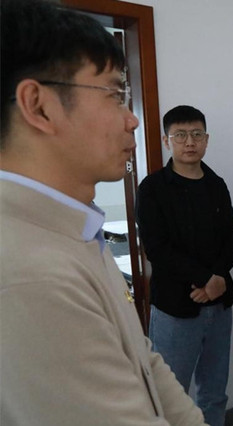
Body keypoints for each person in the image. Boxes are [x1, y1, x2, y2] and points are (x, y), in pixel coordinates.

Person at [0, 1, 206, 424]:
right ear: (39, 106)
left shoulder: (78, 228)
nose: (132, 120)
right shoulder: (29, 274)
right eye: (115, 95)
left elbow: (144, 360)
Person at [136, 105, 233, 425]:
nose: (190, 142)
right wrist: (206, 278)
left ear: (206, 139)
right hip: (175, 309)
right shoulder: (152, 188)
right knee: (170, 393)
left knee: (215, 391)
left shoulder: (216, 184)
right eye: (180, 135)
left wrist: (218, 278)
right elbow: (157, 248)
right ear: (166, 141)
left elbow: (232, 237)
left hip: (219, 304)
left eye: (197, 134)